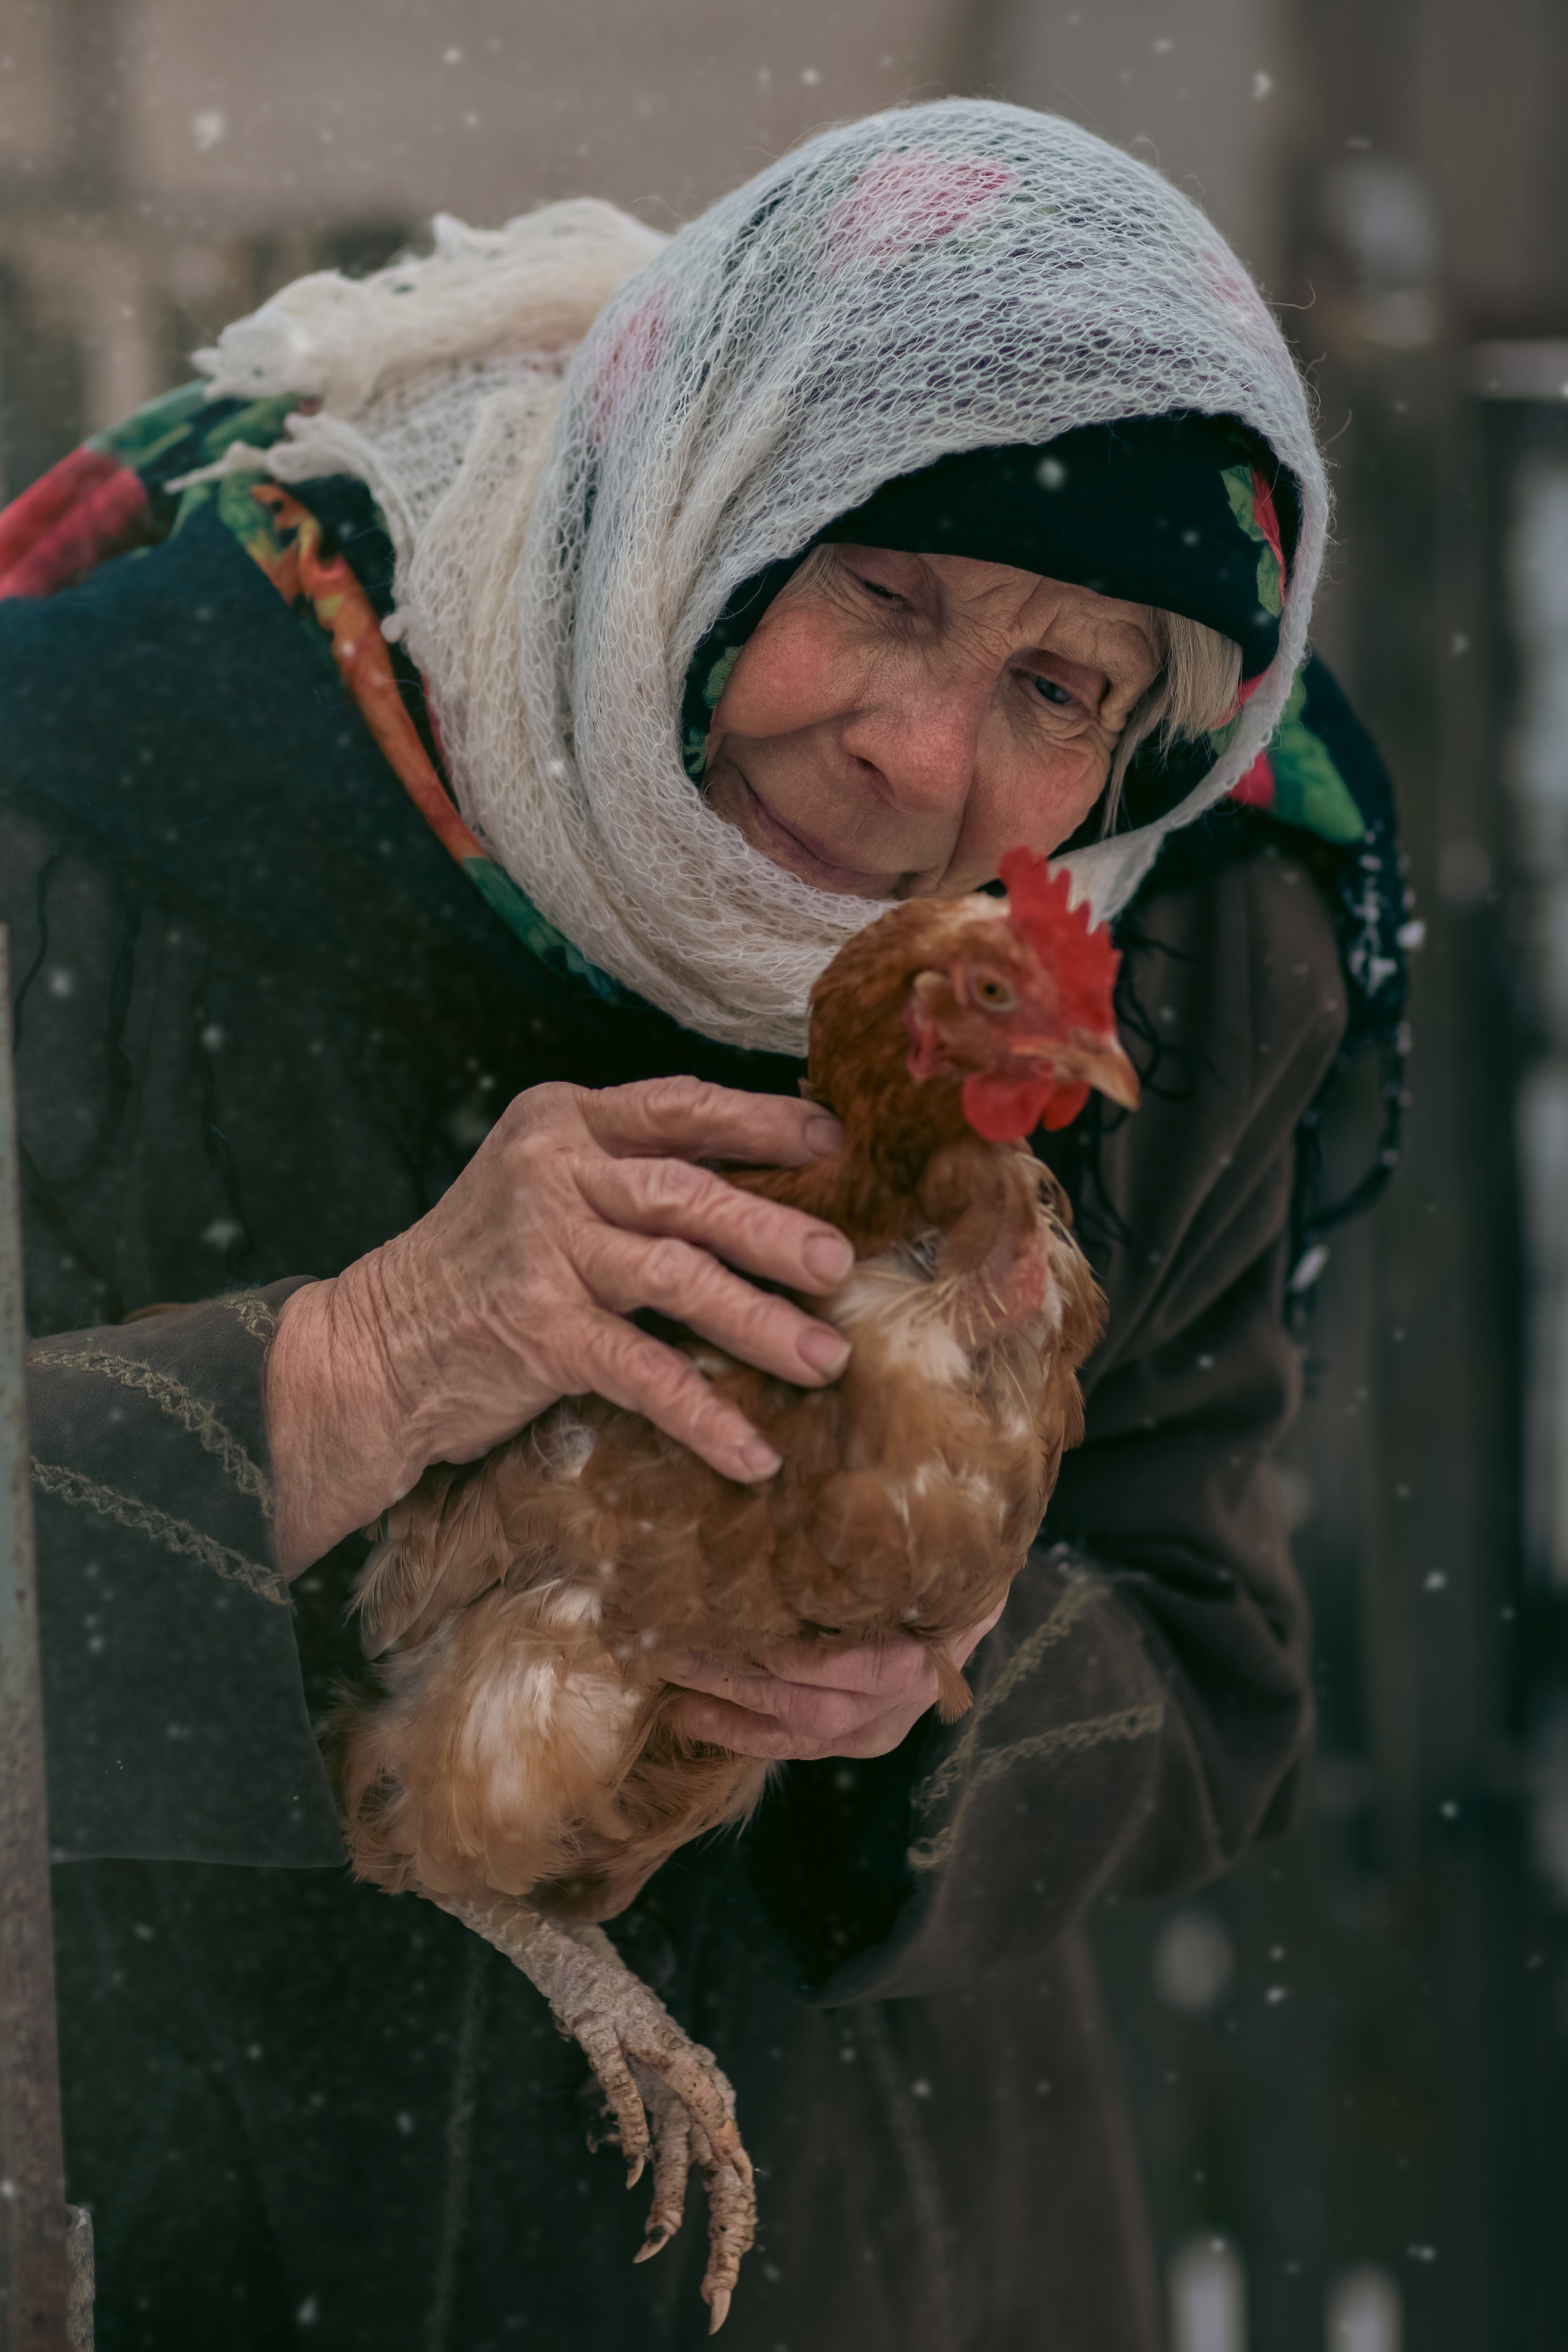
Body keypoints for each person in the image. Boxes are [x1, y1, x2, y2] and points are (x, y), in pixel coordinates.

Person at [4, 100, 1406, 2352]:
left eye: (1061, 688)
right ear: (721, 488)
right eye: (885, 586)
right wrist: (349, 1375)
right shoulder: (132, 795)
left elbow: (1210, 1662)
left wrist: (918, 1708)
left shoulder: (1177, 946)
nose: (920, 756)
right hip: (217, 2234)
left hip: (892, 2253)